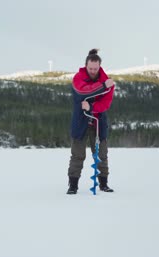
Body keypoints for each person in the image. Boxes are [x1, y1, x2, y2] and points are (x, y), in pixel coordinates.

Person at [66, 49, 115, 195]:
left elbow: (106, 104)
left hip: (99, 123)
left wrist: (92, 107)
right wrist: (103, 86)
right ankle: (73, 185)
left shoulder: (107, 81)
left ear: (100, 66)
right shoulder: (78, 78)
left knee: (102, 154)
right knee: (77, 155)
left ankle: (103, 184)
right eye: (90, 68)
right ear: (85, 66)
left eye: (96, 68)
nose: (93, 71)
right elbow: (83, 92)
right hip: (80, 122)